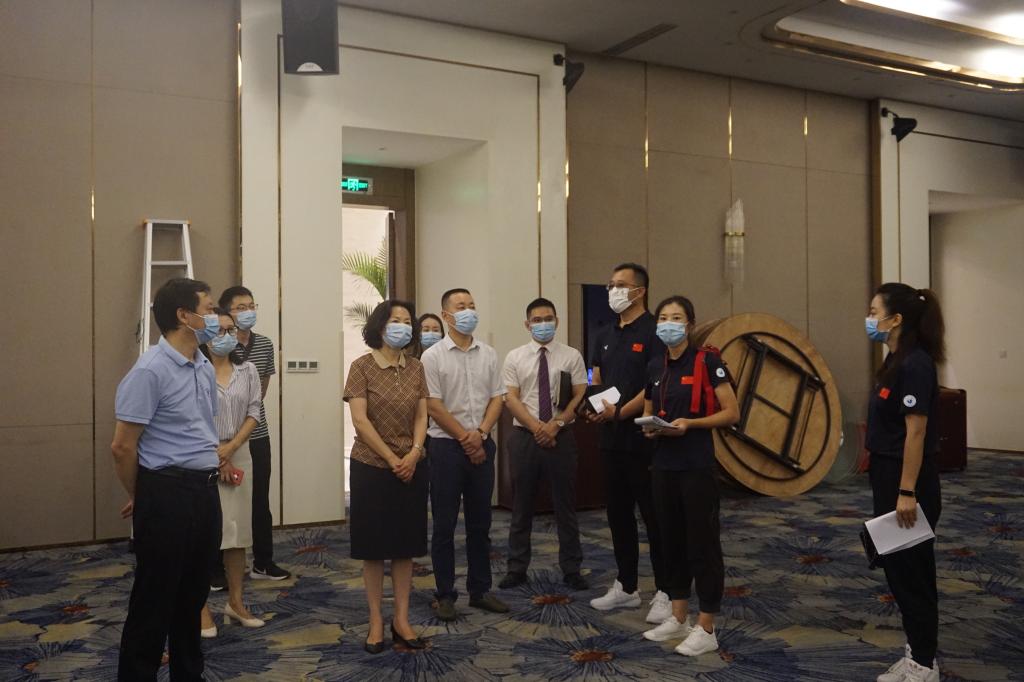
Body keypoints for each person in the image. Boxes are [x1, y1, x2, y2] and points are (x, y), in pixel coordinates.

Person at [112, 278, 222, 681]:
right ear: (183, 315)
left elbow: (203, 432)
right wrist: (143, 495)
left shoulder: (203, 365)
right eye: (209, 309)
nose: (215, 317)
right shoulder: (149, 370)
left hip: (204, 493)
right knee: (153, 602)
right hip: (166, 493)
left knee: (192, 598)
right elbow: (122, 446)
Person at [639, 296, 739, 656]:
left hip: (696, 465)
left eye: (676, 318)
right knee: (671, 542)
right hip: (663, 466)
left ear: (690, 324)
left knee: (703, 544)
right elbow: (649, 409)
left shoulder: (708, 361)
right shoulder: (655, 365)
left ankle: (706, 626)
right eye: (663, 318)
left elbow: (731, 412)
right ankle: (678, 615)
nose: (669, 324)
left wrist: (691, 424)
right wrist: (650, 427)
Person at [865, 284, 945, 682]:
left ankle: (924, 664)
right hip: (888, 476)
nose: (869, 319)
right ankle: (918, 652)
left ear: (895, 319)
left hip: (908, 481)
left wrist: (906, 491)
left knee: (913, 575)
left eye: (874, 311)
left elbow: (916, 433)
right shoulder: (894, 360)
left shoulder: (915, 364)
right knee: (899, 572)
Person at [586, 263, 671, 624]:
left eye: (621, 285)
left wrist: (620, 412)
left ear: (640, 291)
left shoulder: (654, 332)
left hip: (643, 438)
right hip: (610, 439)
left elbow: (653, 386)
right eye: (610, 285)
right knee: (618, 515)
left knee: (654, 517)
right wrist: (596, 405)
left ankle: (667, 590)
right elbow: (596, 375)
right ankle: (627, 585)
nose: (613, 291)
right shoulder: (604, 333)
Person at [343, 300, 429, 653]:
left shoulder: (416, 367)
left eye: (408, 321)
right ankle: (376, 619)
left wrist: (414, 452)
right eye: (396, 320)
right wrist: (393, 458)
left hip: (411, 467)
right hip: (371, 466)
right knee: (375, 549)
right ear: (380, 326)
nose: (403, 327)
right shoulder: (361, 366)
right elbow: (360, 421)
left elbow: (422, 415)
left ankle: (402, 619)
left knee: (406, 548)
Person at [421, 288, 509, 621]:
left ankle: (480, 590)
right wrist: (465, 439)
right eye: (461, 307)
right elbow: (433, 405)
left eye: (472, 305)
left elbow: (498, 397)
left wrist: (481, 434)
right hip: (445, 447)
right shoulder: (433, 357)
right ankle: (445, 594)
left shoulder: (489, 353)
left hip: (482, 443)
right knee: (444, 525)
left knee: (480, 523)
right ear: (446, 315)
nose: (469, 311)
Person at [498, 298, 589, 591]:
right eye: (537, 320)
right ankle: (516, 569)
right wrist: (538, 427)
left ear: (557, 321)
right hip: (525, 437)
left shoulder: (571, 356)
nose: (543, 324)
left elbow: (580, 394)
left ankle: (572, 569)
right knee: (521, 506)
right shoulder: (514, 357)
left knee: (566, 506)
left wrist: (556, 424)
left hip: (561, 436)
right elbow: (511, 398)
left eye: (548, 318)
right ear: (527, 325)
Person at [198, 308, 266, 637]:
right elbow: (191, 417)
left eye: (229, 330)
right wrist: (218, 455)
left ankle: (235, 602)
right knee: (203, 534)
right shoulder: (194, 370)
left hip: (240, 454)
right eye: (217, 330)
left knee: (237, 534)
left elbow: (254, 412)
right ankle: (200, 608)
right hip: (202, 454)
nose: (224, 336)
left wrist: (231, 448)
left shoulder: (248, 369)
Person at [219, 286, 290, 582]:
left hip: (257, 433)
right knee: (221, 503)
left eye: (251, 305)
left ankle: (263, 561)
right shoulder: (218, 343)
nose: (248, 311)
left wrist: (245, 424)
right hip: (221, 440)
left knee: (260, 499)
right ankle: (218, 569)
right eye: (240, 307)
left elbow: (260, 393)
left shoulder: (264, 345)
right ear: (226, 312)